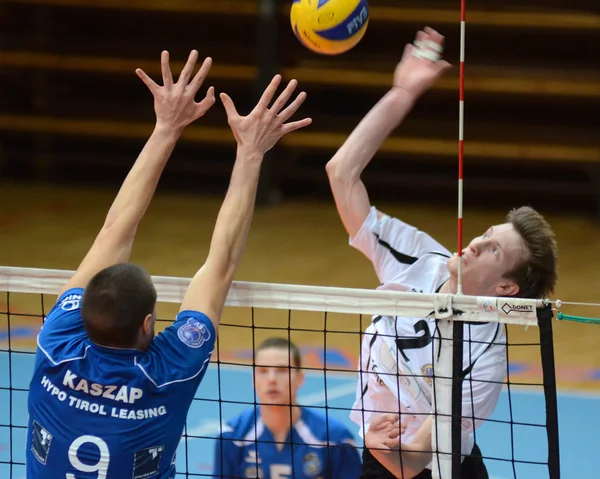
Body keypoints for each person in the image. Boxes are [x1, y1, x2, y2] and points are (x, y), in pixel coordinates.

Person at [25, 49, 312, 479]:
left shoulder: (57, 344)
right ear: (147, 325)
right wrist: (250, 152)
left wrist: (165, 128)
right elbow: (220, 264)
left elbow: (114, 232)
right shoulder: (168, 373)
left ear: (84, 313)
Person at [325, 27, 558, 479]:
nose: (474, 242)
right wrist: (402, 92)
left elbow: (412, 462)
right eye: (486, 233)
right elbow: (341, 174)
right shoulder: (418, 258)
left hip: (430, 468)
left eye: (492, 250)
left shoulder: (486, 355)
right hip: (379, 461)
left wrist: (375, 443)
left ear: (505, 287)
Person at [213, 337, 363, 479]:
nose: (271, 379)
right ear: (254, 379)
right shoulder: (232, 436)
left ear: (300, 378)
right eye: (263, 371)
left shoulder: (334, 438)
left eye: (282, 370)